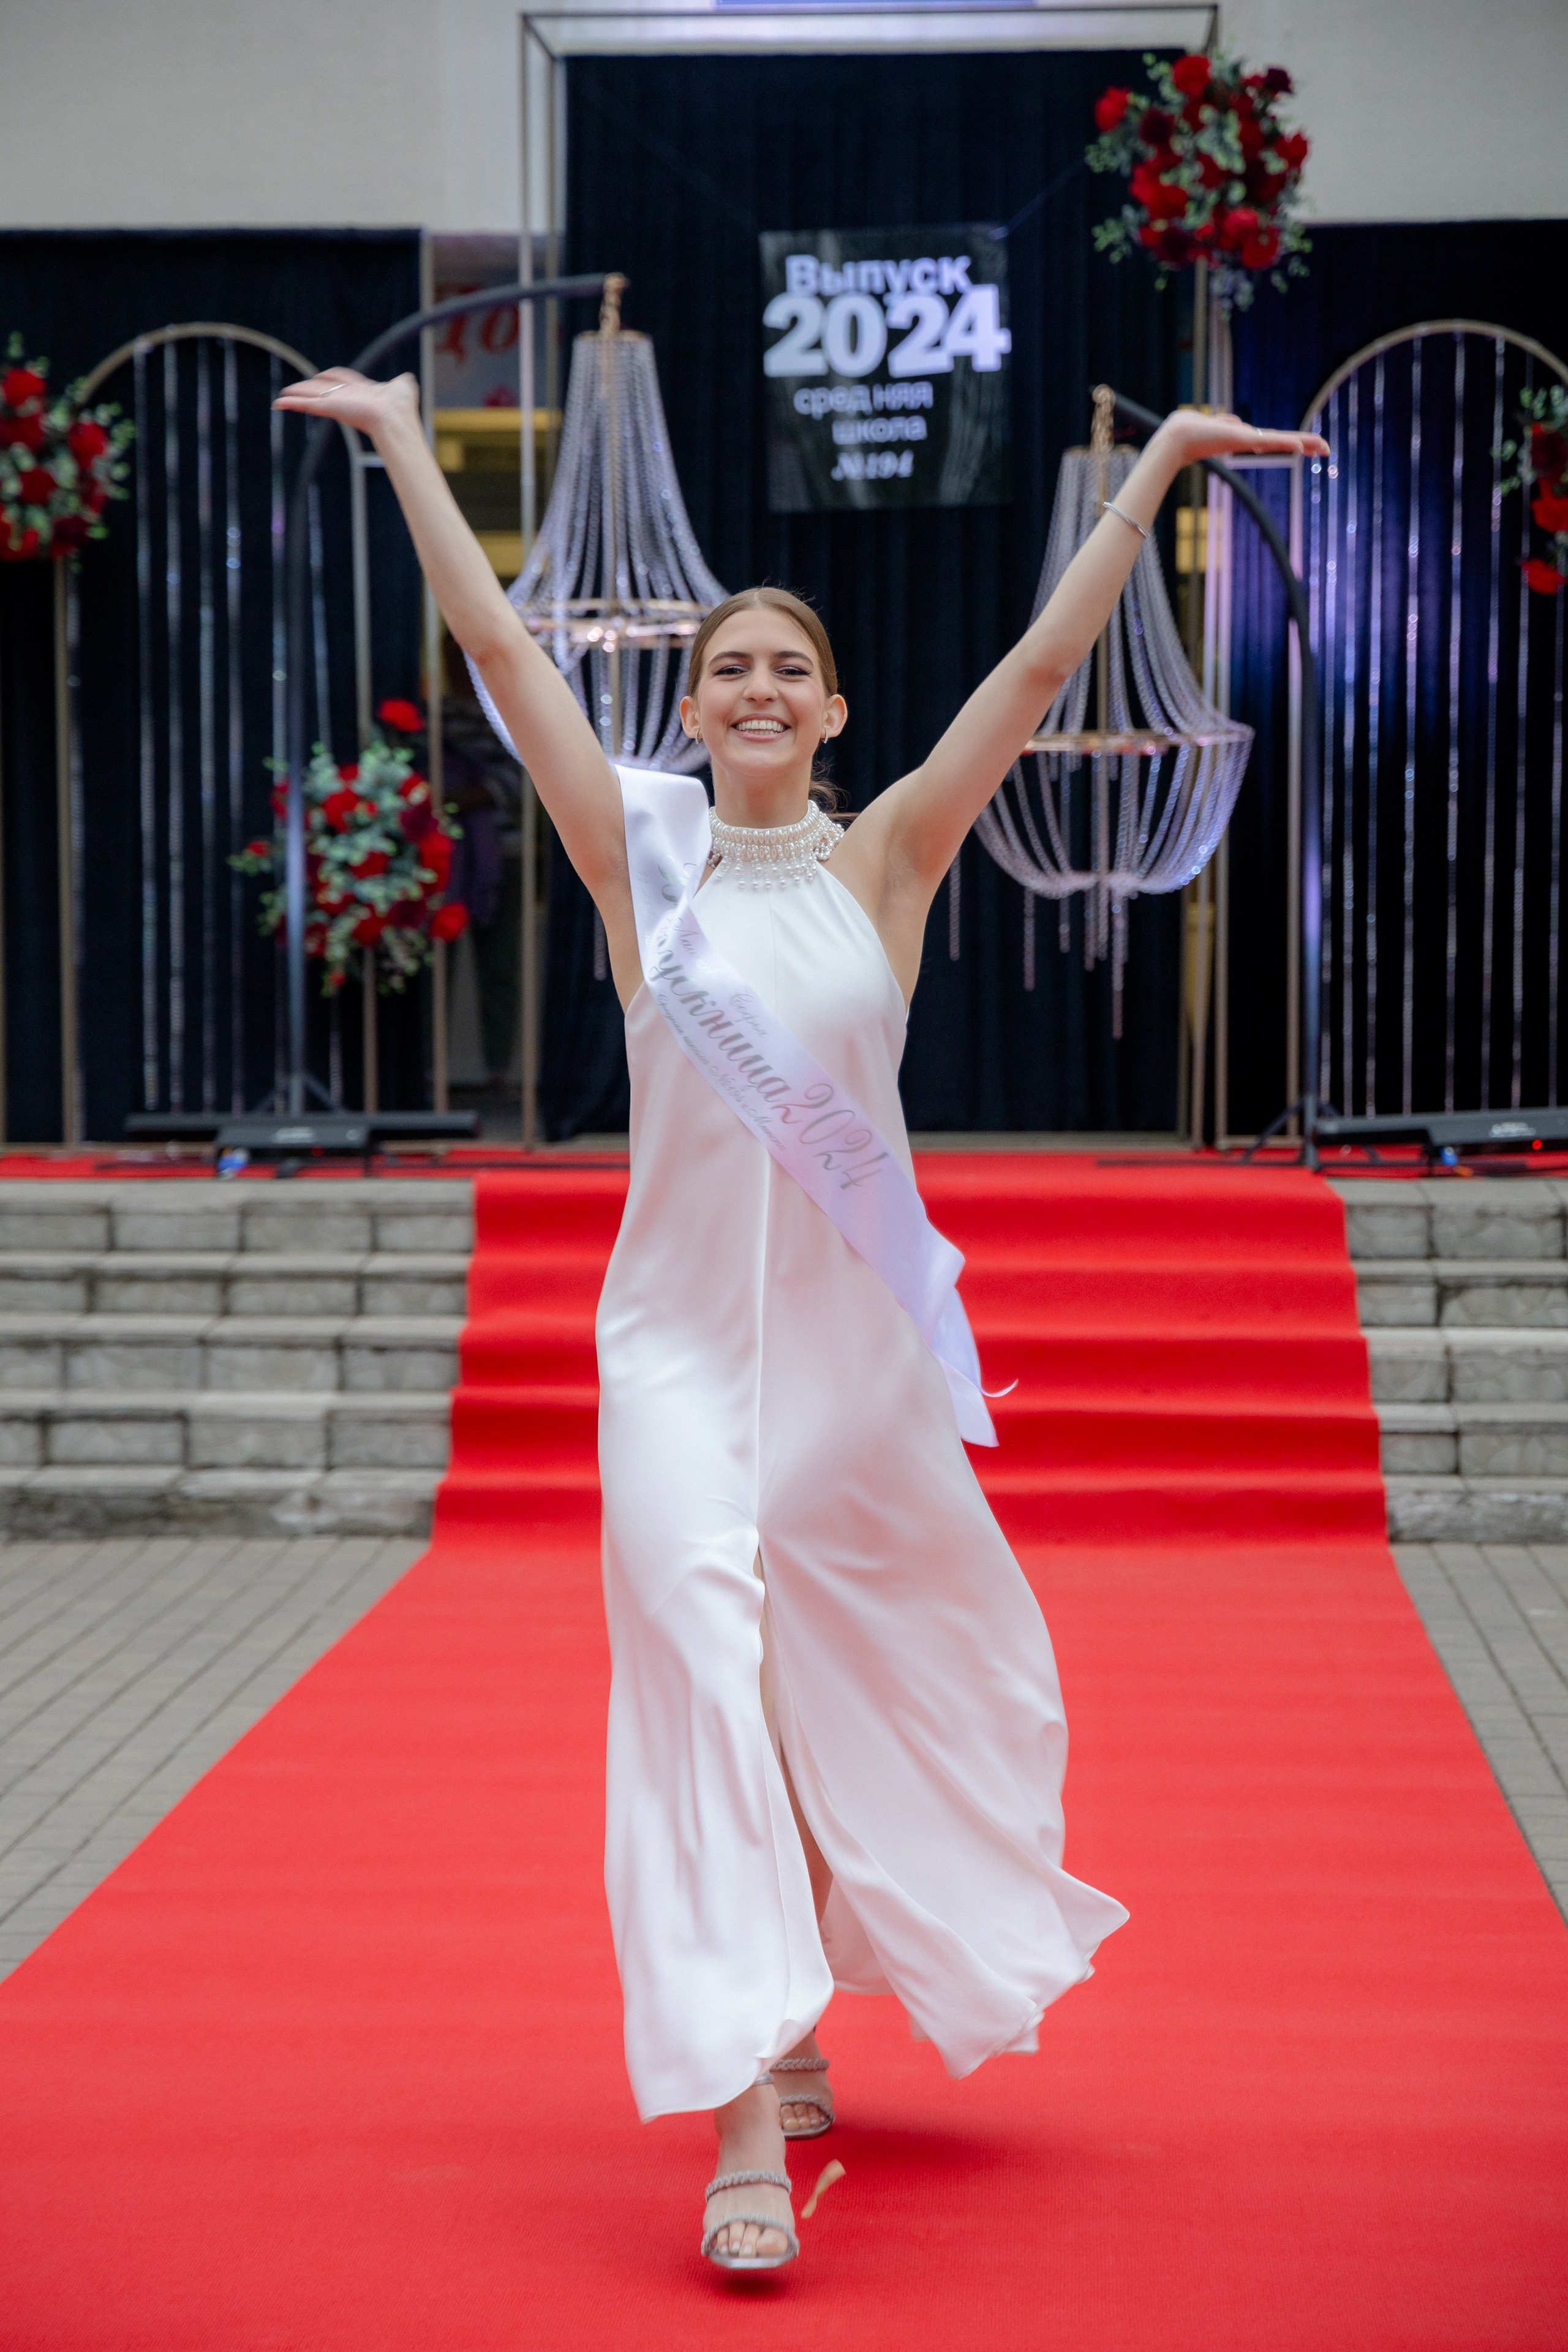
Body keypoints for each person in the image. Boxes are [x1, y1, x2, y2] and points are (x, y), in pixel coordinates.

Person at [274, 364, 1327, 2275]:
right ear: (691, 706)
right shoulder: (636, 861)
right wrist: (416, 449)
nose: (757, 687)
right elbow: (510, 663)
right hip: (671, 1357)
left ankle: (807, 1984)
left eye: (790, 668)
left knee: (839, 1698)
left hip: (848, 1385)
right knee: (692, 1668)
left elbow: (1029, 674)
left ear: (832, 711)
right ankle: (747, 2101)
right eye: (727, 666)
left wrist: (1160, 470)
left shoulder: (889, 863)